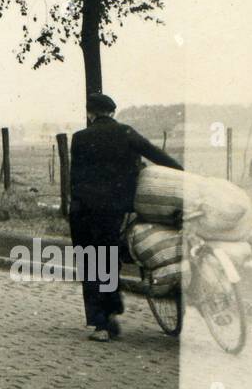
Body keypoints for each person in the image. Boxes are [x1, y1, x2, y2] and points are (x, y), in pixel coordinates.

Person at [70, 93, 183, 342]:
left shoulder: (79, 138)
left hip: (85, 209)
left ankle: (102, 323)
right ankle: (111, 311)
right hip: (115, 209)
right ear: (112, 112)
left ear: (90, 113)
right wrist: (182, 174)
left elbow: (75, 177)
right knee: (108, 258)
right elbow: (156, 155)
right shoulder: (126, 133)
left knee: (90, 262)